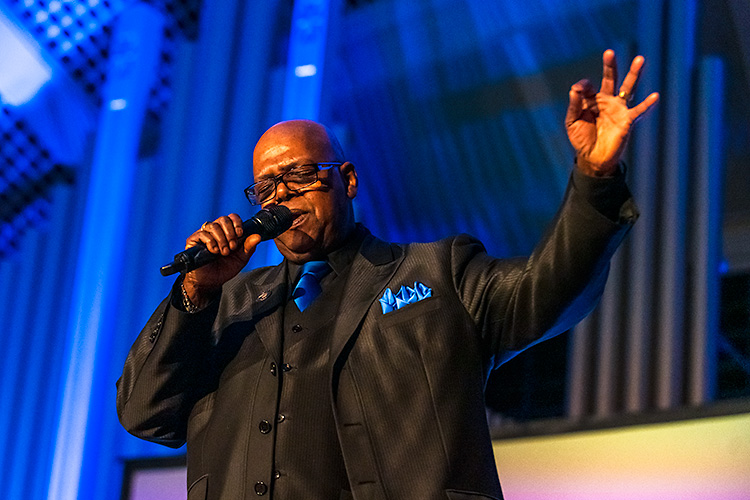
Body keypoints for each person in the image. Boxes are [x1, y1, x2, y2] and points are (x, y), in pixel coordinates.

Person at [117, 50, 659, 500]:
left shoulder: (440, 273)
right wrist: (194, 293)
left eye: (299, 175)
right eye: (265, 187)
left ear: (346, 180)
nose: (279, 194)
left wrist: (595, 177)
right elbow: (145, 414)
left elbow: (550, 291)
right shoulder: (223, 308)